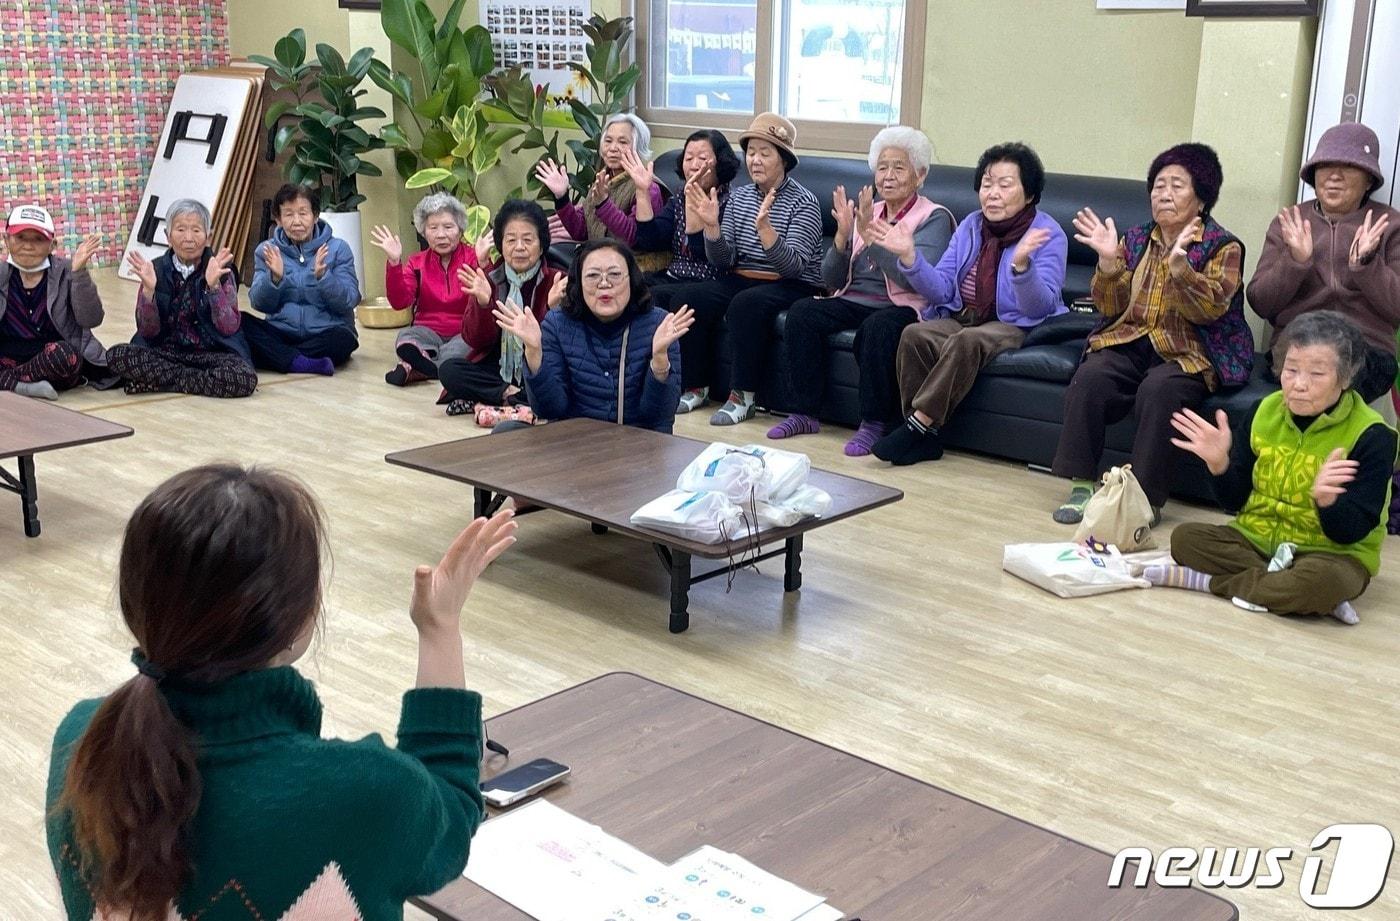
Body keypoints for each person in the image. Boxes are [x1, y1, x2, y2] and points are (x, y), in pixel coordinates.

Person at [46, 464, 517, 921]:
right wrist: (440, 628)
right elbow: (451, 817)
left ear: (135, 603)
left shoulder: (81, 740)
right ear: (299, 617)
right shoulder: (363, 792)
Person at [1050, 143, 1252, 523]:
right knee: (1090, 378)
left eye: (1177, 185)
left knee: (1160, 390)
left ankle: (1144, 500)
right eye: (1158, 186)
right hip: (1131, 339)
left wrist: (1181, 269)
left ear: (1202, 199)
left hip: (1190, 349)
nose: (1164, 194)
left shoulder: (1223, 246)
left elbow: (1210, 311)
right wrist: (1109, 262)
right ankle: (1080, 485)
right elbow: (1110, 308)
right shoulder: (1137, 237)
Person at [1150, 312, 1395, 624]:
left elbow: (1352, 533)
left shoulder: (1373, 434)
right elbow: (1235, 503)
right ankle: (1290, 591)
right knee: (1185, 539)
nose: (1299, 385)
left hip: (1330, 554)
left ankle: (1208, 583)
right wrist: (1220, 465)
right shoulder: (1264, 411)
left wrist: (1327, 502)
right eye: (1291, 370)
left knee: (1323, 581)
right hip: (1256, 542)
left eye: (1317, 374)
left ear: (1345, 378)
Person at [871, 141, 1068, 465]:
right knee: (914, 334)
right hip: (966, 315)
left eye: (1005, 185)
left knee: (967, 340)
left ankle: (916, 426)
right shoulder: (971, 225)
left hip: (1017, 325)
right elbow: (942, 289)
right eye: (987, 184)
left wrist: (1021, 267)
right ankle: (926, 440)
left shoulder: (1047, 233)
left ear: (1029, 193)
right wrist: (909, 257)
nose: (992, 193)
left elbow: (1039, 308)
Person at [764, 126, 955, 455]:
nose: (888, 176)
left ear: (920, 175)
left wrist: (870, 236)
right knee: (803, 313)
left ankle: (873, 422)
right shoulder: (869, 211)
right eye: (882, 167)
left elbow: (918, 281)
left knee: (878, 329)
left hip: (905, 307)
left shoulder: (934, 218)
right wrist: (841, 239)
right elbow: (832, 281)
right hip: (854, 298)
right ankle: (805, 413)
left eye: (899, 167)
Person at [662, 113, 825, 423]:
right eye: (751, 153)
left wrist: (766, 231)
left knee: (746, 305)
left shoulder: (804, 202)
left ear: (784, 160)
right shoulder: (740, 198)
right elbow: (724, 262)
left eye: (765, 153)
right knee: (688, 298)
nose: (756, 161)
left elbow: (793, 267)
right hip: (743, 277)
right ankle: (696, 387)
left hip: (792, 283)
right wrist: (712, 229)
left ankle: (743, 397)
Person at [1247, 122, 1400, 405]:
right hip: (1297, 347)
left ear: (1369, 180)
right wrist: (1294, 261)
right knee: (1310, 379)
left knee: (1327, 383)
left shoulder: (1390, 225)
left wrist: (1367, 265)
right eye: (1325, 167)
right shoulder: (1290, 222)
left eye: (1349, 167)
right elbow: (1261, 303)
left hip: (1367, 352)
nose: (1334, 177)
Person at [493, 239, 692, 433]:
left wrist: (659, 360)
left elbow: (659, 417)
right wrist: (534, 352)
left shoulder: (659, 325)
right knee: (507, 431)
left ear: (631, 279)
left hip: (637, 449)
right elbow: (550, 409)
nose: (604, 283)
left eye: (614, 274)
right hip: (576, 445)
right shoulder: (557, 323)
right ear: (578, 282)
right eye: (593, 276)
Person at [107, 200, 257, 398]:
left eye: (196, 230)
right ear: (168, 237)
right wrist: (149, 292)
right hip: (166, 352)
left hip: (210, 354)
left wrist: (213, 287)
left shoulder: (220, 270)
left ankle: (161, 383)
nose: (188, 238)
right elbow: (147, 331)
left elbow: (228, 327)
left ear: (208, 237)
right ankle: (194, 381)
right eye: (180, 230)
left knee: (243, 378)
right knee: (117, 355)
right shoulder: (155, 269)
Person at [438, 199, 567, 420]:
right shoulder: (490, 279)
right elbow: (476, 341)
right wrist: (483, 303)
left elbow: (563, 346)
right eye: (511, 240)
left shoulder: (557, 280)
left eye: (528, 240)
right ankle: (510, 396)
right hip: (498, 369)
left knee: (559, 384)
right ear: (501, 244)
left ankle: (501, 399)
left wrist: (552, 308)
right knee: (449, 370)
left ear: (542, 243)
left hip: (538, 366)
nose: (519, 247)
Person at [242, 184, 360, 376]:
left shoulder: (338, 249)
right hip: (282, 332)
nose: (296, 221)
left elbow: (349, 300)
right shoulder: (268, 251)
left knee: (342, 339)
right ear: (278, 220)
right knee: (240, 322)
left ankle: (280, 358)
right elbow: (259, 303)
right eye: (288, 214)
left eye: (303, 213)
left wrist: (324, 278)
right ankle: (302, 362)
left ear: (315, 216)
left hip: (326, 333)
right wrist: (275, 279)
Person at [372, 192, 482, 386]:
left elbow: (489, 297)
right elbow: (400, 303)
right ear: (424, 231)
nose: (441, 234)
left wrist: (483, 262)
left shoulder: (474, 257)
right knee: (405, 337)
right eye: (433, 228)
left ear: (460, 230)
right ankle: (431, 365)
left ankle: (414, 368)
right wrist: (394, 262)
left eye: (448, 227)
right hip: (427, 331)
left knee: (469, 347)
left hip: (463, 332)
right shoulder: (417, 262)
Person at [1, 204, 109, 399]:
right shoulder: (2, 274)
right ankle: (21, 386)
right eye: (20, 238)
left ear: (53, 245)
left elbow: (91, 319)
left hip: (51, 360)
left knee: (65, 356)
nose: (28, 245)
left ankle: (8, 382)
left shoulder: (67, 271)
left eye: (38, 239)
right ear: (6, 240)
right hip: (7, 356)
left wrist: (79, 274)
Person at [628, 128, 740, 299]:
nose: (694, 165)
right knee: (625, 287)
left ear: (721, 162)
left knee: (652, 297)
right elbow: (649, 241)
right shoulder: (679, 199)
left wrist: (694, 211)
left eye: (702, 158)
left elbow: (708, 257)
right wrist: (642, 192)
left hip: (709, 282)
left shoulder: (732, 202)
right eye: (688, 158)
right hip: (674, 276)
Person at [534, 114, 664, 251]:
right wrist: (562, 198)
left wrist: (604, 204)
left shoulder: (649, 187)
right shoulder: (603, 177)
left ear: (638, 147)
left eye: (623, 142)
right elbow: (581, 231)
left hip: (629, 264)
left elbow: (633, 239)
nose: (613, 148)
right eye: (608, 141)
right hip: (596, 256)